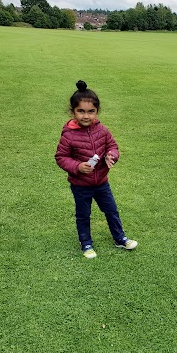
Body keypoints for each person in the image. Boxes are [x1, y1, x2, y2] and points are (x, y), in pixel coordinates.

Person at [55, 80, 137, 259]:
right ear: (73, 112)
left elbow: (113, 146)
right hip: (80, 185)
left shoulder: (102, 129)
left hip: (101, 182)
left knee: (111, 210)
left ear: (97, 112)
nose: (86, 116)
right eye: (81, 111)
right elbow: (61, 157)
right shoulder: (68, 135)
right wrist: (77, 166)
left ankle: (119, 237)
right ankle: (85, 243)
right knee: (83, 214)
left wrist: (111, 156)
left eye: (91, 111)